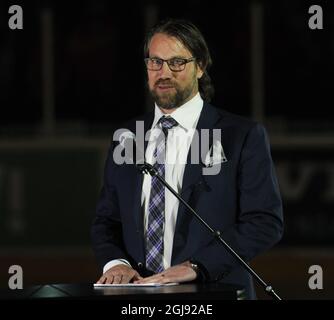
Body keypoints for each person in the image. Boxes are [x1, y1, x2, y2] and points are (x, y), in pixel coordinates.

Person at [91, 18, 283, 299]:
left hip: (215, 293)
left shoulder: (240, 136)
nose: (164, 72)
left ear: (201, 67)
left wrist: (197, 267)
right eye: (155, 62)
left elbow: (265, 221)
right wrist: (116, 263)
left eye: (177, 62)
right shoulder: (129, 136)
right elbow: (106, 221)